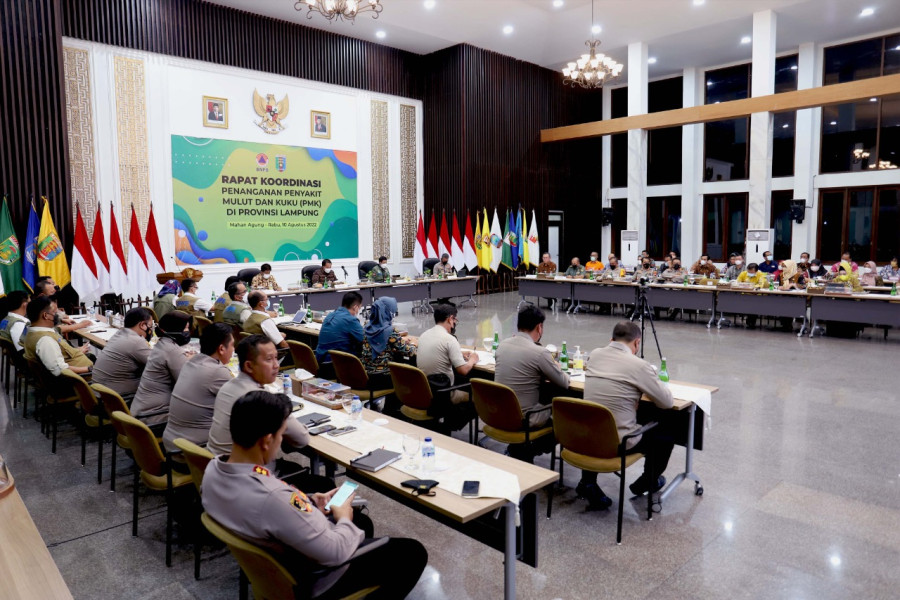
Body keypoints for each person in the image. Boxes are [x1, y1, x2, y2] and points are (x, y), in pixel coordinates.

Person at [201, 392, 428, 600]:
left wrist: (308, 501)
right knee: (411, 553)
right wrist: (344, 517)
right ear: (267, 440)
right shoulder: (274, 498)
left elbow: (277, 506)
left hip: (276, 551)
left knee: (363, 522)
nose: (281, 442)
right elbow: (335, 552)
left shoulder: (213, 470)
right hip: (311, 577)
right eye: (281, 435)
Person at [582, 321, 675, 509]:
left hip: (585, 437)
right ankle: (646, 482)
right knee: (666, 434)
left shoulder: (595, 354)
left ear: (611, 340)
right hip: (617, 443)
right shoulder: (639, 365)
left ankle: (588, 482)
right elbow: (667, 402)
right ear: (637, 343)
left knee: (598, 418)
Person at [208, 335, 308, 458]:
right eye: (269, 359)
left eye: (276, 358)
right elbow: (302, 439)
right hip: (247, 472)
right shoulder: (260, 400)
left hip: (216, 464)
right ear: (249, 366)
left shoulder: (227, 387)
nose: (276, 365)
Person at [495, 305, 569, 461]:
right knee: (565, 419)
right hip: (524, 418)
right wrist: (555, 366)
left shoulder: (502, 345)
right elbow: (564, 383)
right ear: (539, 327)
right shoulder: (539, 353)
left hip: (499, 412)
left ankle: (517, 448)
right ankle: (527, 451)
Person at [162, 323, 234, 453]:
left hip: (173, 443)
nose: (234, 349)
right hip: (193, 453)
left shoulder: (191, 362)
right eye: (233, 345)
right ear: (222, 349)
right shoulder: (217, 372)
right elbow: (245, 402)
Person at [131, 311, 194, 427]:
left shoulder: (162, 345)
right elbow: (188, 385)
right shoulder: (171, 351)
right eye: (185, 328)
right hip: (153, 418)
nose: (187, 332)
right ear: (175, 328)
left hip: (141, 412)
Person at [416, 303, 478, 405]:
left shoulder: (424, 335)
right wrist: (472, 360)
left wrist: (459, 353)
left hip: (425, 390)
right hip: (444, 392)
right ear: (450, 319)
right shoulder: (449, 339)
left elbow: (436, 350)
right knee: (477, 399)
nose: (454, 323)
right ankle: (453, 420)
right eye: (455, 320)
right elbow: (463, 370)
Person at [91, 307, 153, 401]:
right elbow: (157, 365)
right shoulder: (135, 341)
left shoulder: (118, 334)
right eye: (150, 326)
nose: (151, 330)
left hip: (99, 395)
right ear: (142, 325)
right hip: (118, 400)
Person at [23, 296, 93, 376]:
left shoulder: (33, 331)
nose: (58, 316)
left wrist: (76, 351)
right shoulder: (46, 340)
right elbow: (60, 369)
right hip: (84, 379)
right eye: (54, 313)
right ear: (46, 316)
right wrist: (90, 369)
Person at [361, 297, 415, 390]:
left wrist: (398, 341)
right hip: (383, 378)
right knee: (411, 373)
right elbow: (408, 352)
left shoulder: (366, 326)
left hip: (366, 375)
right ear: (388, 312)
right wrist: (413, 344)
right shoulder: (389, 331)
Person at [315, 291, 365, 379]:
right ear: (355, 307)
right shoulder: (350, 320)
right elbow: (365, 339)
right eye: (359, 308)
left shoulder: (330, 316)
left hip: (320, 363)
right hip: (336, 366)